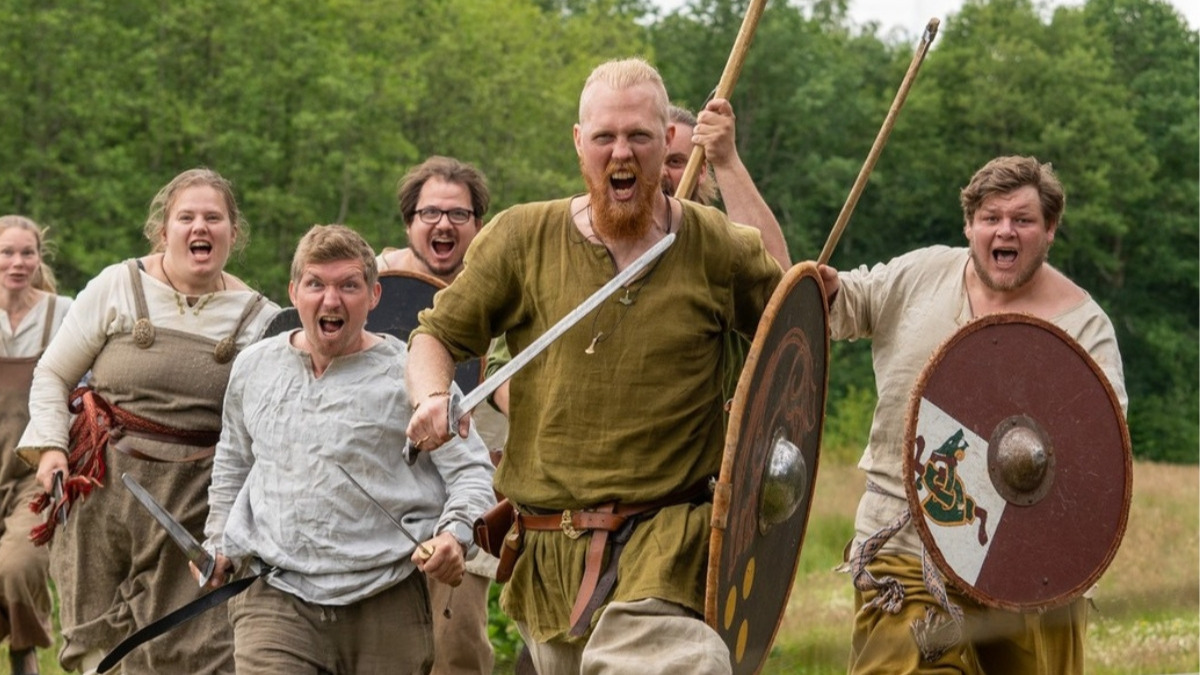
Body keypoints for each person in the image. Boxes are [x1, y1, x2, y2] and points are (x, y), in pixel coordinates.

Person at [406, 57, 783, 674]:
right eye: (605, 137)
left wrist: (732, 165)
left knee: (681, 664)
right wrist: (429, 398)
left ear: (668, 145)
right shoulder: (521, 237)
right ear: (580, 143)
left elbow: (784, 320)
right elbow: (436, 335)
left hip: (671, 538)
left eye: (639, 136)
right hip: (550, 548)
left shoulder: (717, 246)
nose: (621, 154)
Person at [815, 155, 1127, 674]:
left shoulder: (1084, 328)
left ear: (1049, 230)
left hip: (1029, 565)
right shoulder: (920, 275)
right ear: (970, 226)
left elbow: (1095, 451)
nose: (1005, 230)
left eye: (1022, 220)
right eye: (990, 217)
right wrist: (819, 287)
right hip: (909, 544)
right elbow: (837, 302)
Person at [198, 224, 495, 674]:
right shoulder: (253, 367)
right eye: (316, 284)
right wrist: (219, 543)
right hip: (276, 597)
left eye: (348, 285)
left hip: (385, 598)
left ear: (374, 295)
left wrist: (455, 535)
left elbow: (471, 471)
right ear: (294, 291)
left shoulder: (414, 375)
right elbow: (233, 465)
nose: (331, 300)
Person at [16, 168, 277, 674]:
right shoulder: (118, 285)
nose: (199, 227)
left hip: (198, 502)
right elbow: (53, 373)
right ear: (164, 231)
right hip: (103, 491)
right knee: (101, 649)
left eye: (213, 218)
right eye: (186, 217)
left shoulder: (260, 320)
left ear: (233, 233)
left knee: (196, 646)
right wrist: (50, 447)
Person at [381, 156, 502, 675]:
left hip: (467, 500)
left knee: (457, 654)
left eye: (459, 213)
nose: (444, 224)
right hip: (383, 508)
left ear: (478, 224)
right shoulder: (369, 288)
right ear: (409, 222)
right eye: (430, 212)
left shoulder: (505, 291)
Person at [0, 216, 72, 675]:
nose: (17, 262)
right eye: (7, 252)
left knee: (17, 569)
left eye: (28, 253)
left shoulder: (62, 313)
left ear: (39, 259)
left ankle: (24, 648)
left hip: (33, 472)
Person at [664, 101, 790, 268]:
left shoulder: (716, 244)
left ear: (701, 171)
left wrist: (726, 160)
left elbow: (781, 281)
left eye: (675, 162)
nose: (661, 173)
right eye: (652, 161)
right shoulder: (619, 240)